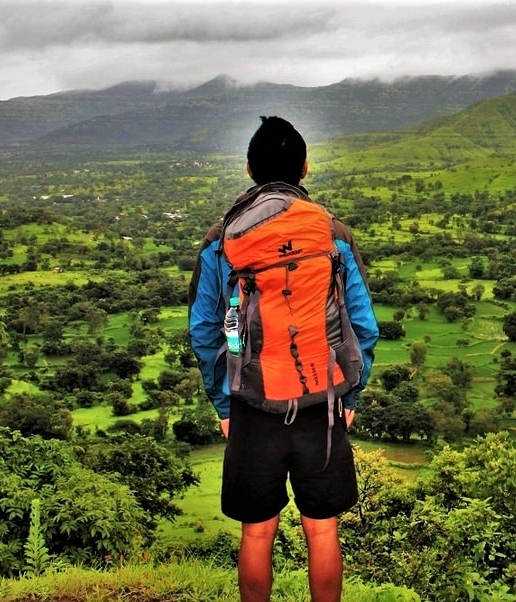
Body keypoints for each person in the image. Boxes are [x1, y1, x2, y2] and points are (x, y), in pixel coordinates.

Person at [188, 116, 378, 602]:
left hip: (253, 401)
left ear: (249, 169)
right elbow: (362, 323)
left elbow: (208, 330)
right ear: (305, 169)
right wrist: (350, 392)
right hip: (323, 400)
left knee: (257, 532)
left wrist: (225, 404)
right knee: (322, 530)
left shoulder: (223, 237)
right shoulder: (331, 233)